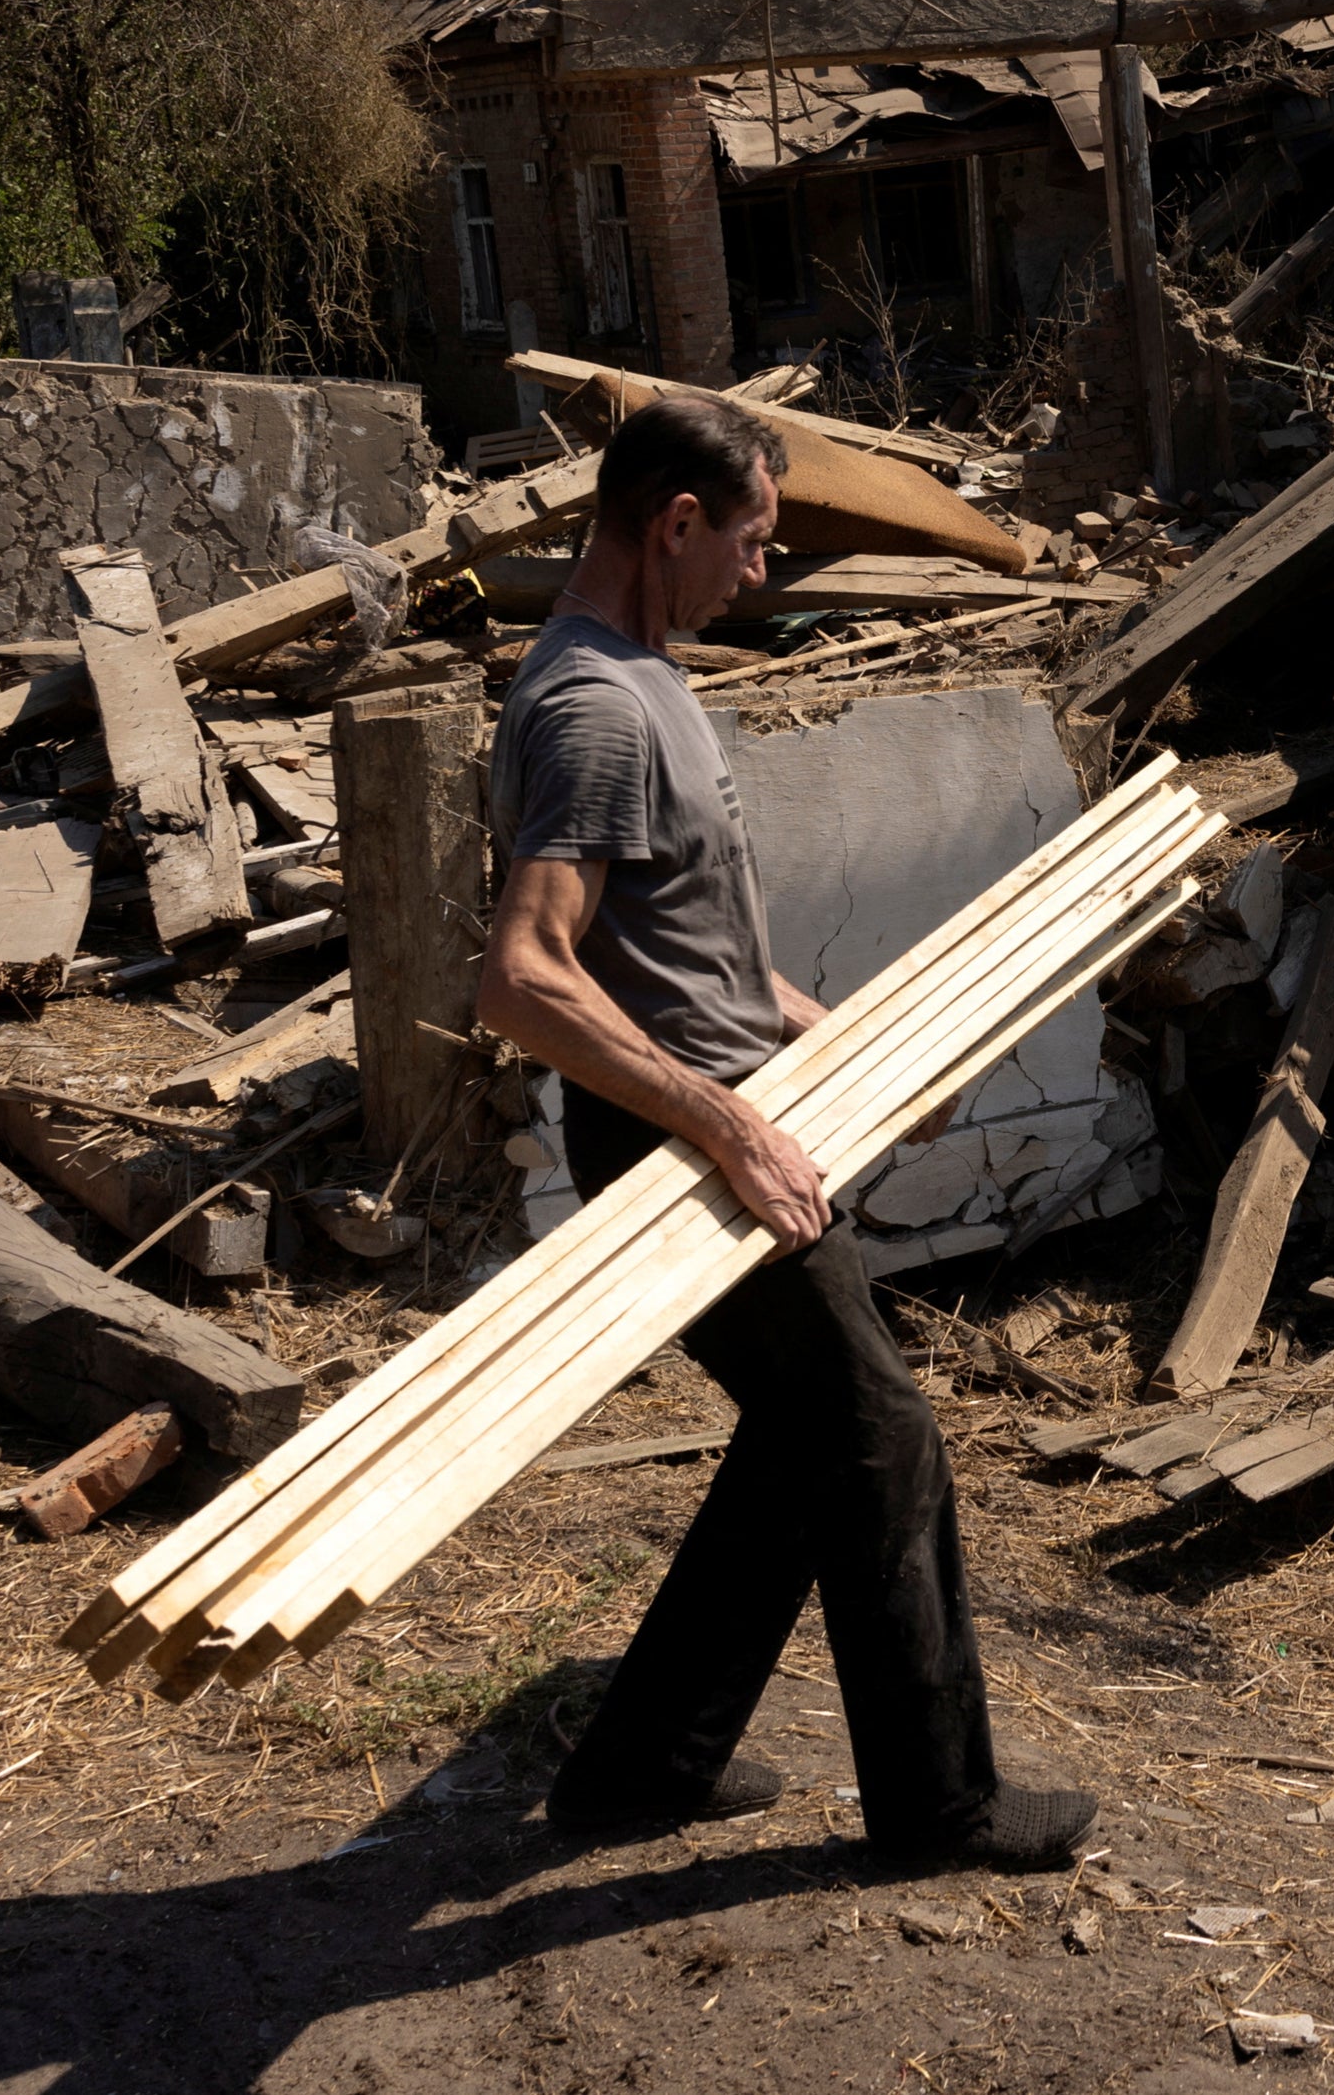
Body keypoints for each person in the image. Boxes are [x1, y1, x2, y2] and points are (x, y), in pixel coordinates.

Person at [473, 393, 1094, 1869]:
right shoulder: (593, 710)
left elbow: (720, 970)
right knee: (881, 1441)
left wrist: (871, 1053)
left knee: (803, 1439)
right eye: (748, 540)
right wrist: (729, 1132)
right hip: (679, 1156)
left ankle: (642, 1765)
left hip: (726, 1120)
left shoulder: (651, 676)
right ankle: (941, 1802)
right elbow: (523, 974)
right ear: (673, 521)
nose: (761, 573)